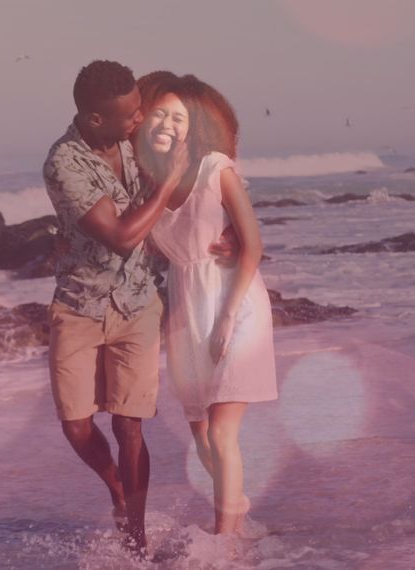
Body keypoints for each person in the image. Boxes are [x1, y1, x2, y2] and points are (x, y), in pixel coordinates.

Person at [41, 60, 232, 556]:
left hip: (138, 303)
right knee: (76, 425)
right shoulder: (64, 163)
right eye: (129, 115)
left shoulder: (133, 140)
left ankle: (135, 540)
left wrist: (229, 230)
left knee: (130, 426)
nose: (139, 119)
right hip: (79, 305)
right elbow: (124, 236)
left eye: (138, 110)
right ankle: (117, 490)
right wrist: (167, 182)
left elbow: (208, 174)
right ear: (95, 119)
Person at [134, 73, 278, 535]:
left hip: (232, 306)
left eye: (179, 116)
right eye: (159, 112)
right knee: (199, 436)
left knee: (221, 433)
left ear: (191, 126)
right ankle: (239, 514)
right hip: (184, 313)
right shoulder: (148, 185)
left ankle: (227, 547)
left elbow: (253, 246)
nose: (168, 122)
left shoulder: (216, 167)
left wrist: (227, 317)